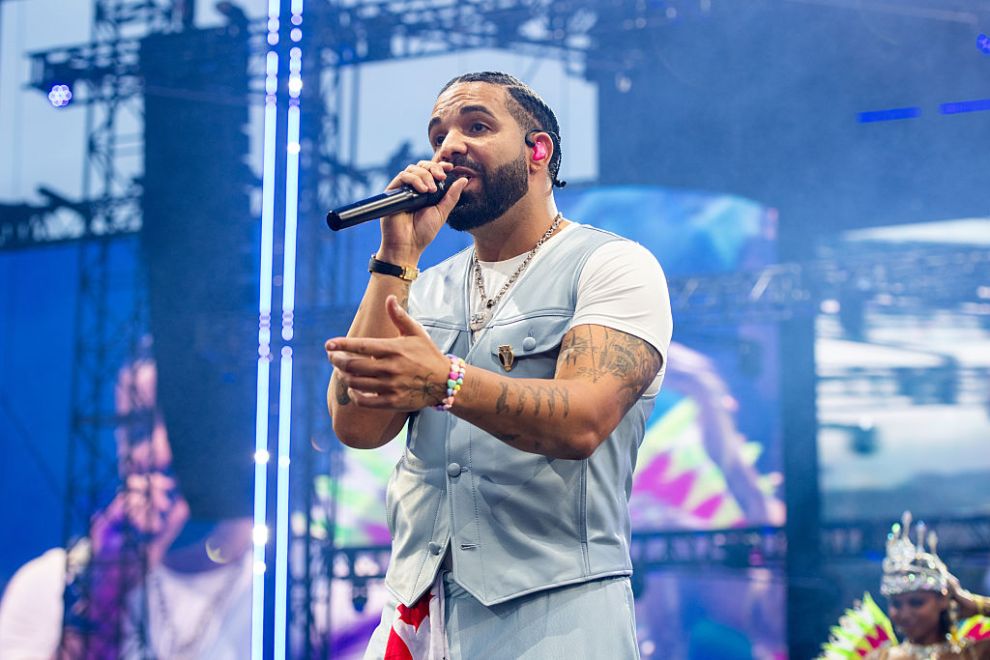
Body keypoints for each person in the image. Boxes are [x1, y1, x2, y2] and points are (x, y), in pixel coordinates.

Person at [325, 71, 672, 658]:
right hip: (415, 615)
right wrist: (395, 257)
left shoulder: (612, 266)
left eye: (477, 126)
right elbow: (357, 426)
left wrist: (444, 380)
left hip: (555, 617)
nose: (449, 146)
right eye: (438, 135)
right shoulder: (422, 285)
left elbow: (582, 421)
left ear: (540, 151)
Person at [0, 358, 253, 659]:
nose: (160, 452)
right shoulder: (45, 586)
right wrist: (101, 595)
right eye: (137, 431)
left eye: (181, 427)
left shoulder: (293, 583)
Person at [819, 512, 990, 660]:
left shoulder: (974, 654)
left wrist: (975, 604)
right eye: (896, 604)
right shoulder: (879, 658)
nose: (905, 613)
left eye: (916, 602)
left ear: (942, 600)